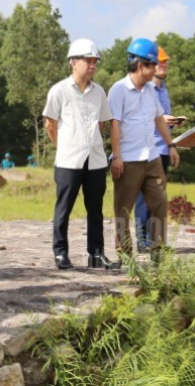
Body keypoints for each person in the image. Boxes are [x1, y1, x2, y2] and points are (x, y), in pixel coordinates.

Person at [42, 39, 118, 271]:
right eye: (88, 60)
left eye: (95, 61)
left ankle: (96, 254)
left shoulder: (99, 92)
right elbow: (50, 124)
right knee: (63, 208)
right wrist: (64, 145)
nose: (93, 65)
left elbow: (103, 124)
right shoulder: (60, 90)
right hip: (68, 160)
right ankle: (61, 253)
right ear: (73, 62)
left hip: (95, 159)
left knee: (95, 209)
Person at [108, 38, 180, 258]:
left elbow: (159, 119)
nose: (156, 69)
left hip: (152, 158)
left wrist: (171, 145)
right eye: (152, 64)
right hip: (128, 159)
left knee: (159, 203)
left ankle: (158, 250)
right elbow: (114, 124)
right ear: (141, 65)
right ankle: (124, 252)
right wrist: (117, 156)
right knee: (123, 210)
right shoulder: (118, 90)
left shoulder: (150, 90)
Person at [133, 45, 181, 252]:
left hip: (161, 150)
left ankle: (156, 241)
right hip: (145, 150)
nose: (164, 65)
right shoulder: (144, 89)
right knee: (144, 199)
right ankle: (143, 242)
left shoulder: (164, 90)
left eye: (165, 62)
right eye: (160, 62)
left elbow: (160, 119)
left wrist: (171, 125)